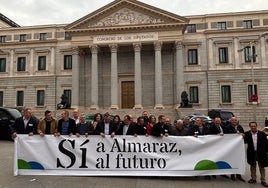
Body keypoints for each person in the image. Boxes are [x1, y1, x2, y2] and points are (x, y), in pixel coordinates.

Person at [244, 122, 268, 187]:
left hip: (261, 152)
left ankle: (263, 180)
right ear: (250, 127)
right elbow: (244, 141)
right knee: (253, 166)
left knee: (262, 167)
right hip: (252, 153)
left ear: (256, 126)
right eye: (252, 126)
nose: (253, 127)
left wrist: (266, 152)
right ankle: (253, 179)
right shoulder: (247, 134)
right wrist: (241, 136)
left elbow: (266, 143)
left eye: (254, 126)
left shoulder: (262, 134)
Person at [225, 116, 246, 182]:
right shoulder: (227, 127)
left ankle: (239, 175)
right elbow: (226, 136)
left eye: (235, 120)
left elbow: (244, 134)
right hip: (231, 147)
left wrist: (242, 135)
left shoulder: (240, 127)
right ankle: (232, 174)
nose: (234, 122)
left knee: (239, 160)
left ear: (237, 121)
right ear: (231, 121)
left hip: (239, 147)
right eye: (233, 120)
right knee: (232, 160)